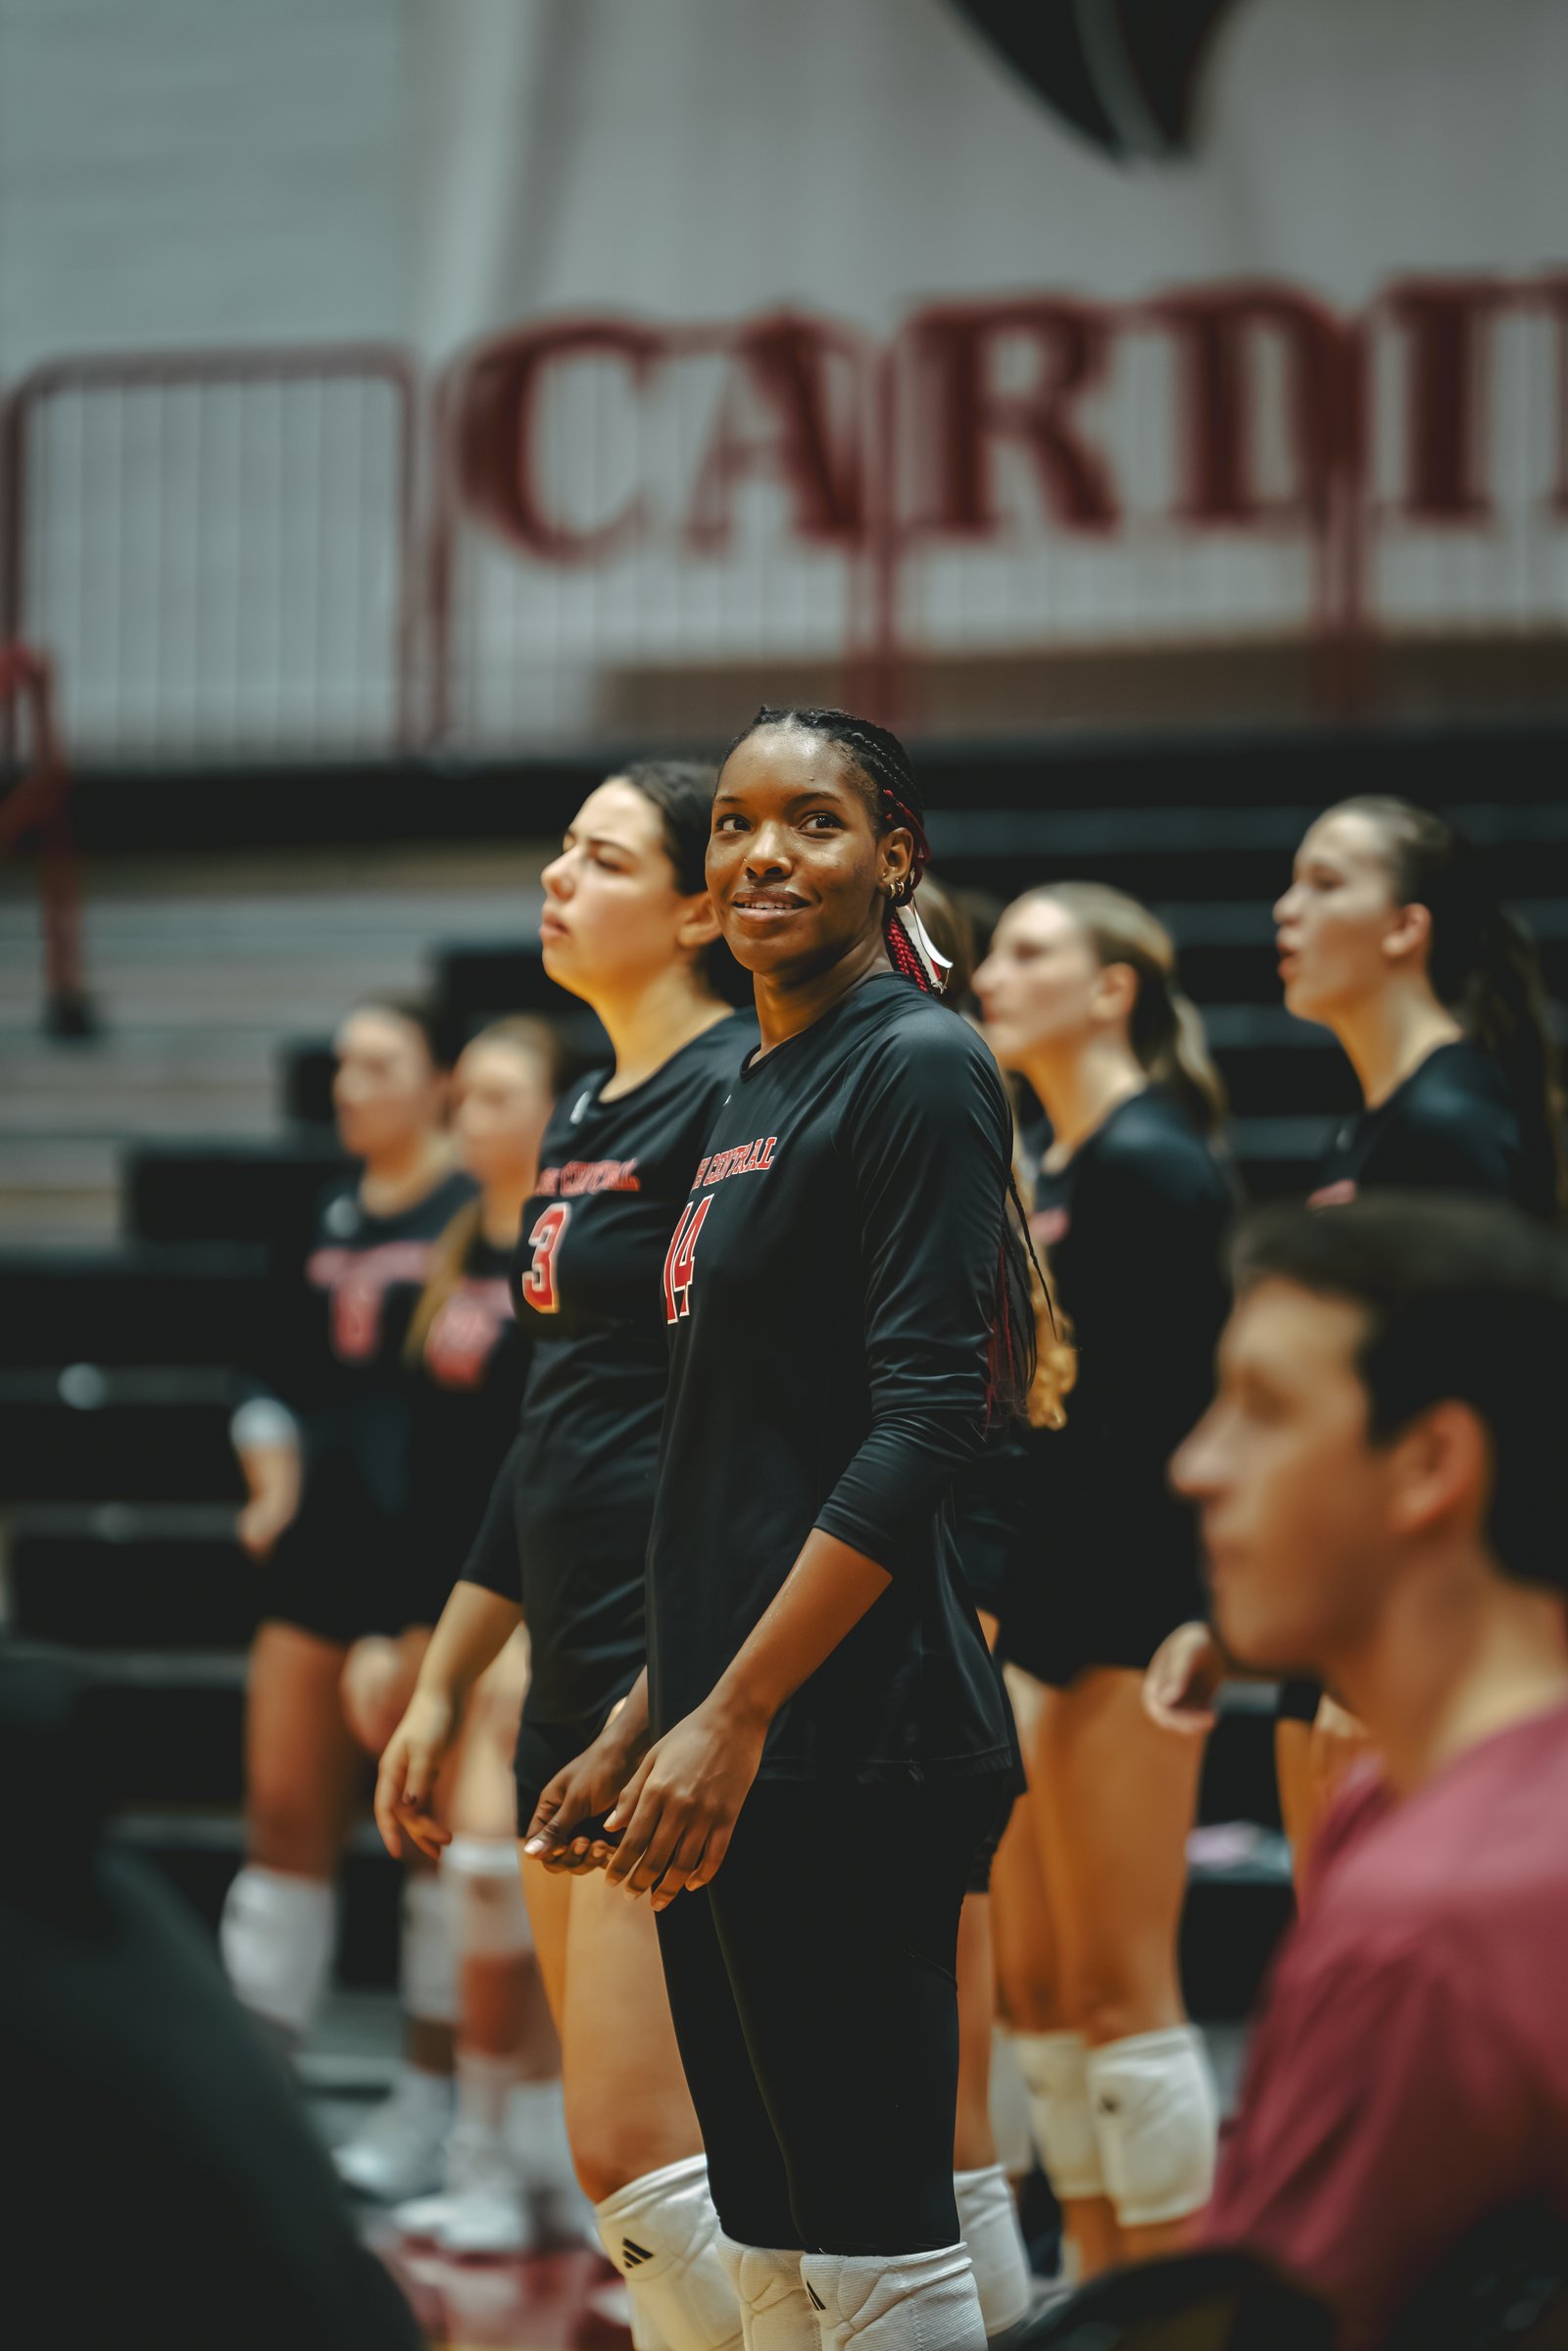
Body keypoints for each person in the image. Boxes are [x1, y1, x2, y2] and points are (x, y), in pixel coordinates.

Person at [525, 707, 1037, 2351]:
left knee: (878, 2250)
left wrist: (730, 1710)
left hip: (854, 1734)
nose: (760, 854)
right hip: (725, 1727)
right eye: (735, 823)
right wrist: (640, 1710)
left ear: (895, 852)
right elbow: (724, 1454)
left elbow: (924, 1422)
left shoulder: (920, 1061)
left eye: (810, 821)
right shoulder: (753, 1076)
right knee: (772, 2250)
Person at [375, 761, 755, 2351]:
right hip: (565, 1654)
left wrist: (684, 1687)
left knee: (647, 2157)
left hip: (670, 1669)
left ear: (692, 909)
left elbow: (768, 1430)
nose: (554, 875)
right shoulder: (589, 1106)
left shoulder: (744, 1091)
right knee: (632, 2173)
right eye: (559, 847)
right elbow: (549, 1428)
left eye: (598, 857)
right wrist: (445, 1676)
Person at [1168, 1194, 1568, 2350]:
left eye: (1264, 1408)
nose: (1197, 1462)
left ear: (1430, 1460)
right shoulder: (1393, 1808)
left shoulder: (1428, 1921)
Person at [1152, 799, 1567, 1858]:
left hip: (1415, 1636)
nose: (1287, 908)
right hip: (1356, 1626)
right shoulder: (1378, 1123)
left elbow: (1483, 1405)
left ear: (1405, 929)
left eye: (1327, 881)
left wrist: (1386, 1649)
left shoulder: (1450, 1120)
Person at [970, 884, 1232, 2282]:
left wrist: (1205, 1603)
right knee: (1046, 1988)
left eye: (1028, 951)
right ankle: (1097, 2276)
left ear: (1113, 986)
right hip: (1048, 1604)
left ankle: (1168, 2292)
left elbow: (1186, 1411)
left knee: (1124, 1985)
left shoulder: (1153, 1162)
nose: (994, 973)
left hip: (1134, 1608)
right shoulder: (1054, 1161)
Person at [221, 1001, 474, 2199]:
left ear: (440, 1081)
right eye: (343, 1065)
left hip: (435, 1560)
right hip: (322, 1556)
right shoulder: (315, 1213)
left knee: (430, 1840)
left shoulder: (475, 1217)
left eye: (379, 1064)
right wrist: (269, 1480)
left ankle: (432, 2100)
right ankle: (256, 2098)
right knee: (283, 1816)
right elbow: (265, 1377)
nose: (350, 1084)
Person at [337, 1016, 568, 2245]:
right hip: (453, 1601)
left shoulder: (566, 1240)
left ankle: (512, 2146)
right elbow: (424, 1467)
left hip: (543, 1605)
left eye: (493, 1096)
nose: (466, 1117)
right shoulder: (450, 1243)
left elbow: (559, 1457)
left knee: (498, 1865)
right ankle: (491, 2135)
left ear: (552, 1111)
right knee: (461, 1871)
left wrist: (523, 1623)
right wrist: (403, 1627)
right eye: (465, 1095)